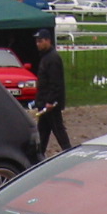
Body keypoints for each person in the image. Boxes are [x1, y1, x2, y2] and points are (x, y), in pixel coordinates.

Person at [33, 28, 72, 156]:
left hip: (50, 105)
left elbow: (56, 83)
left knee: (58, 131)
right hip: (44, 103)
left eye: (40, 41)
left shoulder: (53, 58)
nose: (38, 44)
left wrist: (50, 101)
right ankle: (38, 156)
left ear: (48, 41)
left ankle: (69, 153)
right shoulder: (46, 57)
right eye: (37, 41)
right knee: (43, 132)